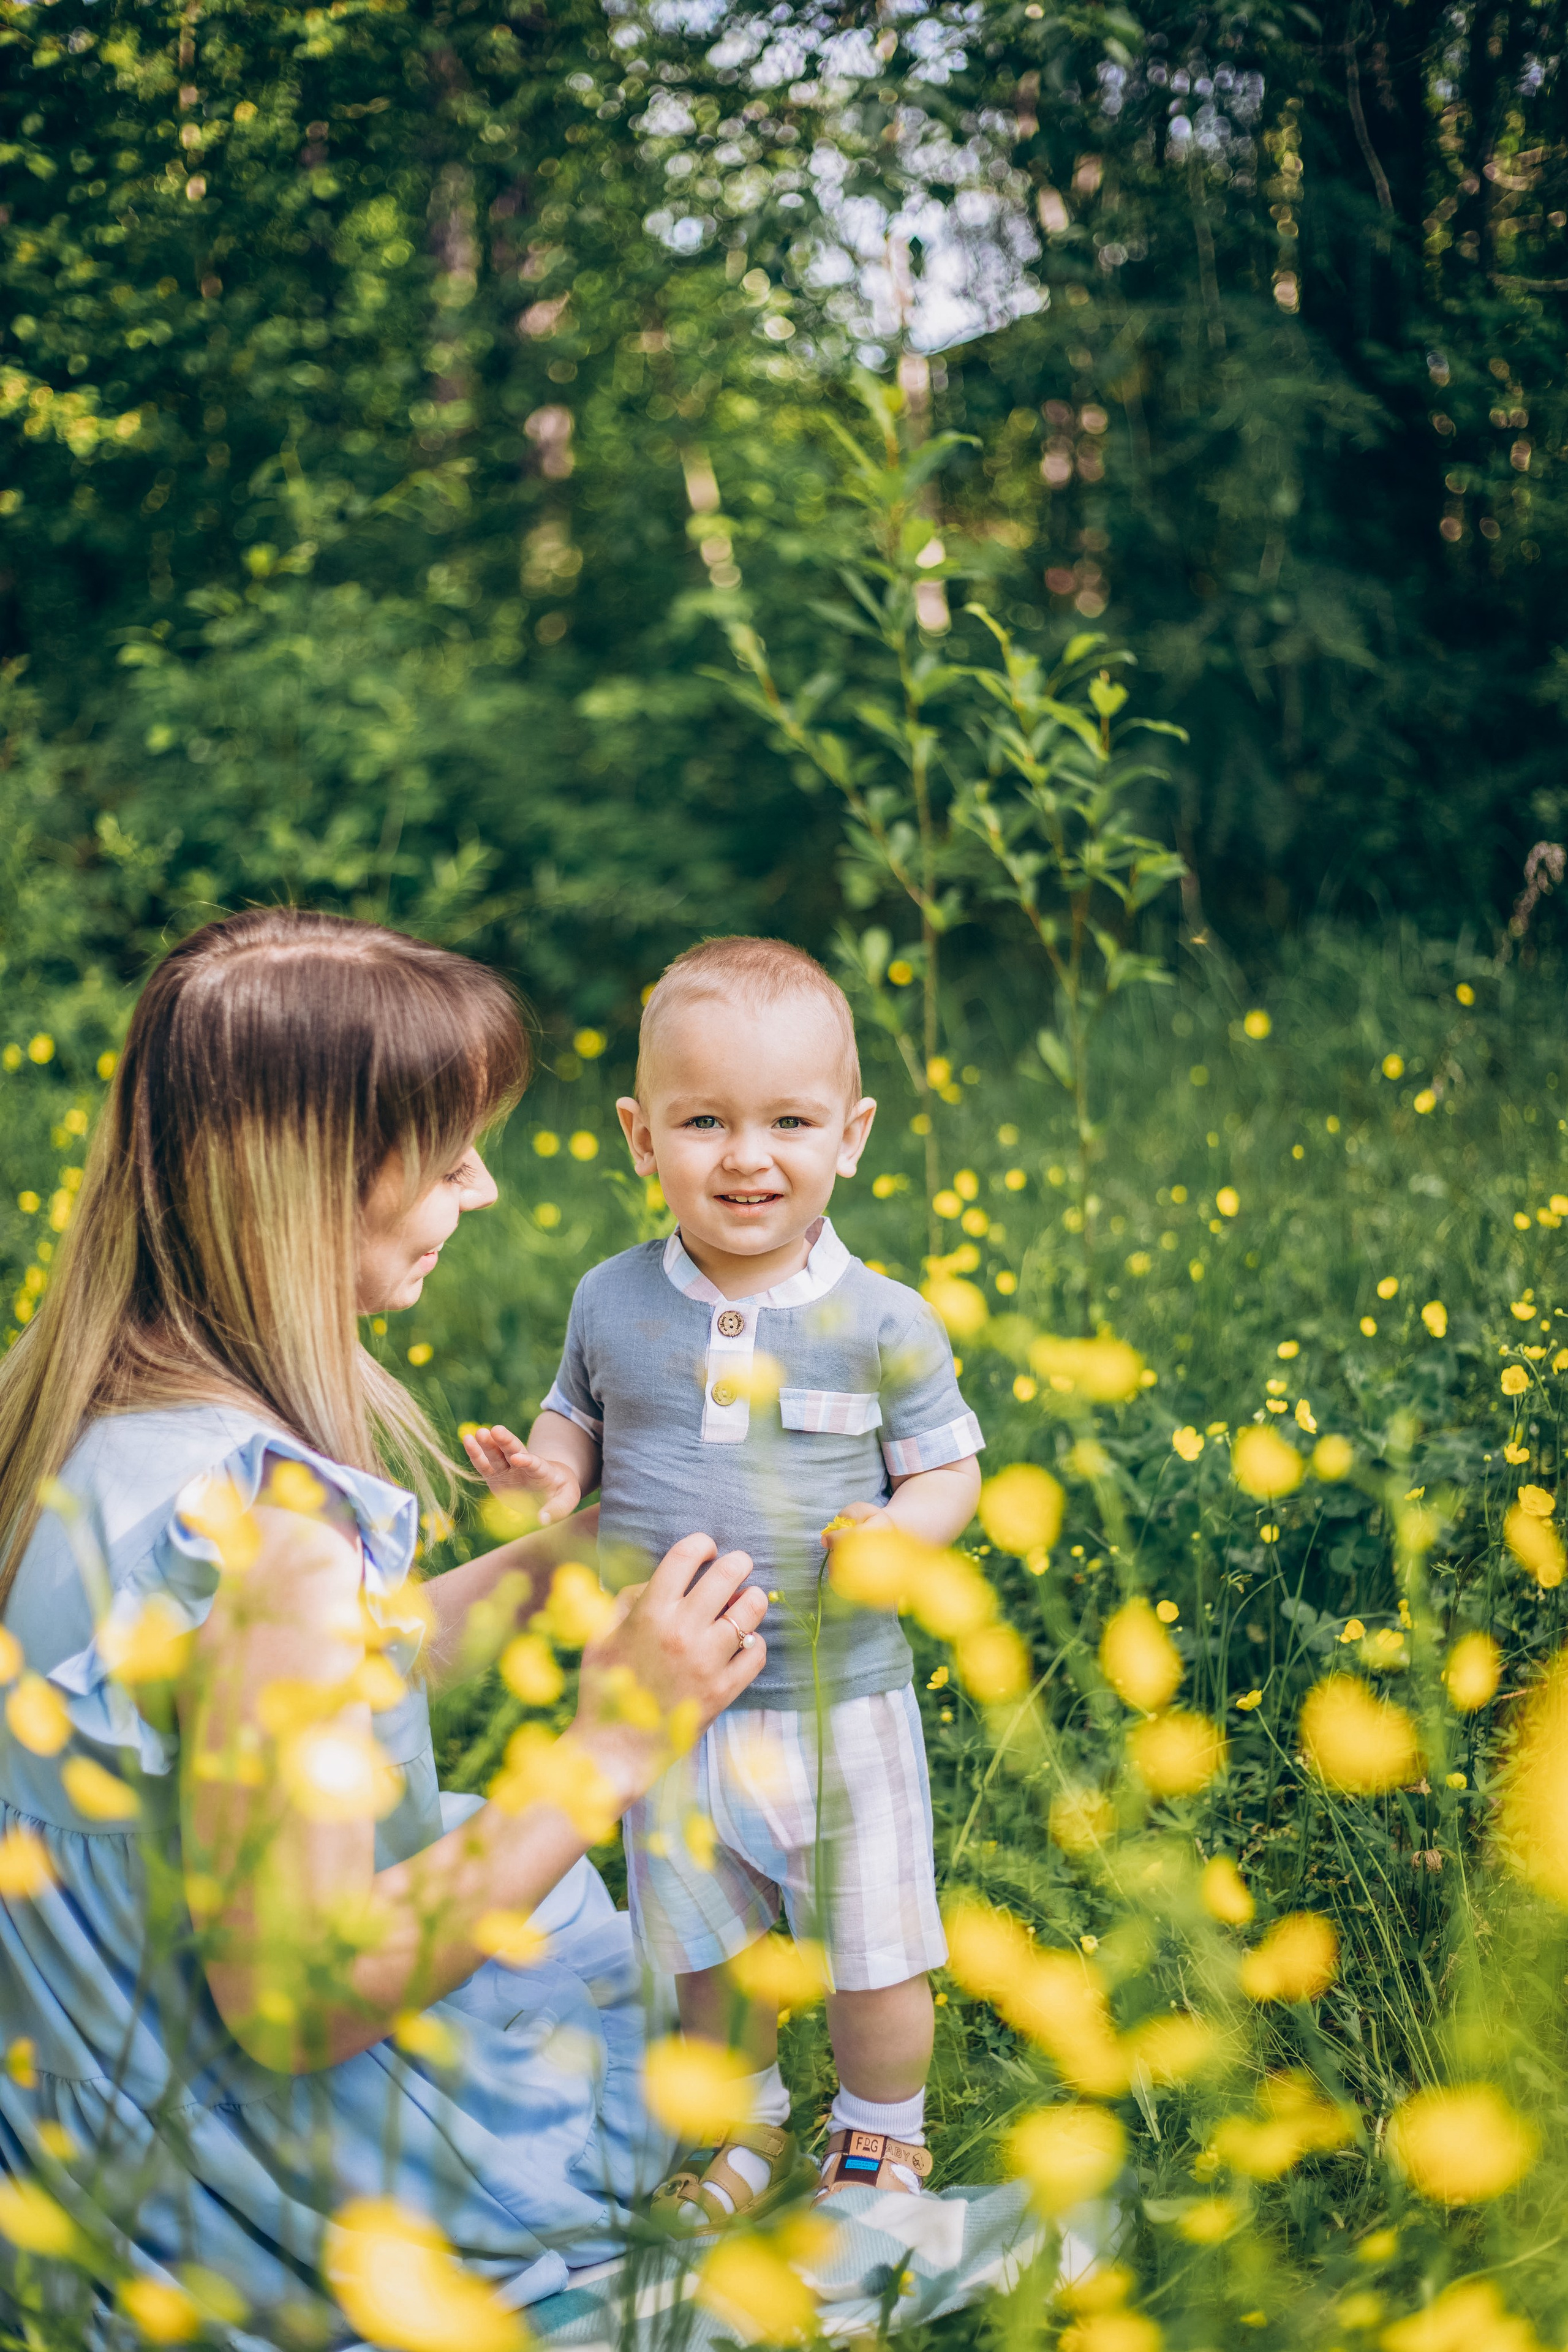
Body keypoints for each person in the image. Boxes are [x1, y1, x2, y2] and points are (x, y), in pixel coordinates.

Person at [0, 908, 773, 2332]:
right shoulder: (276, 1541)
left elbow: (270, 1708)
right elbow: (298, 1998)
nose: (479, 1193)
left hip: (78, 2161)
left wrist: (557, 1562)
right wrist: (611, 1746)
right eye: (448, 1158)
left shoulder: (92, 1429)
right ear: (307, 1188)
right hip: (254, 2204)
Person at [464, 936, 984, 2224]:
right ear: (643, 1139)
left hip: (833, 1698)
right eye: (705, 1122)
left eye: (787, 1122)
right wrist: (541, 1478)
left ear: (850, 1137)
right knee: (705, 1947)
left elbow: (949, 1472)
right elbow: (578, 1427)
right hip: (668, 1697)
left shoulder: (882, 1320)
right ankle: (739, 2126)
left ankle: (878, 2139)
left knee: (871, 1950)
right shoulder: (612, 1300)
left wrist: (904, 1537)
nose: (747, 1156)